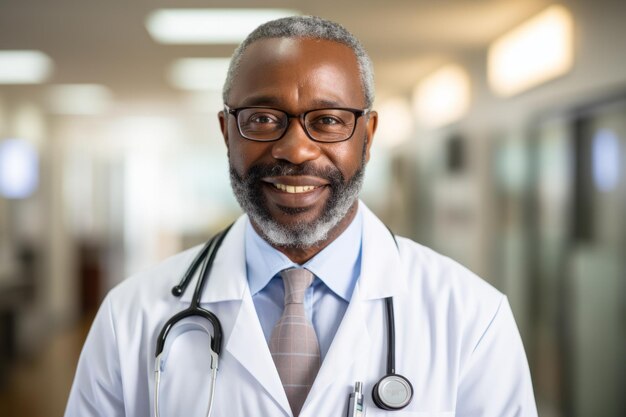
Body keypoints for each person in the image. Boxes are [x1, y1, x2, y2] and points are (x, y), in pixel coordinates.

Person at [65, 16, 537, 417]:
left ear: (368, 135)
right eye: (264, 119)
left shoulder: (473, 317)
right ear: (227, 131)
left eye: (328, 119)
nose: (295, 149)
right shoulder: (131, 316)